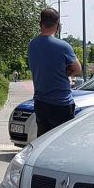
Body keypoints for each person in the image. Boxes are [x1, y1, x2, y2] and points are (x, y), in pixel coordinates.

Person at [27, 8, 82, 137]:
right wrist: (66, 73)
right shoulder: (63, 46)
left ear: (40, 24)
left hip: (41, 102)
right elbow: (78, 69)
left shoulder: (32, 44)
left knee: (43, 140)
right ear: (58, 25)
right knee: (61, 141)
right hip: (61, 103)